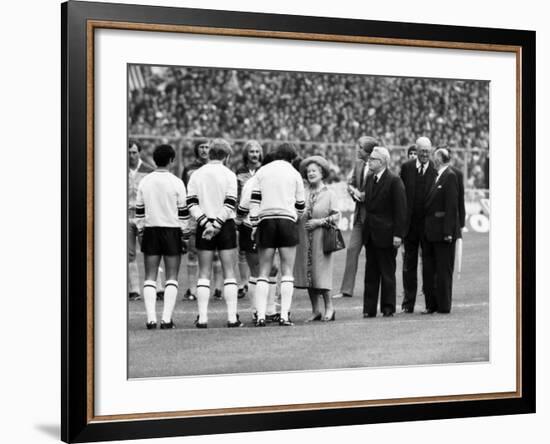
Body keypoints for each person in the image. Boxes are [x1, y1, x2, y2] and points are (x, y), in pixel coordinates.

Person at [248, 142, 306, 326]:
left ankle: (261, 316)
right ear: (293, 157)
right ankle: (284, 315)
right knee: (287, 270)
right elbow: (301, 205)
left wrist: (255, 223)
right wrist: (294, 216)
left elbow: (254, 199)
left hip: (266, 221)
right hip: (287, 220)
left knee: (263, 271)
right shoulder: (295, 173)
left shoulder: (262, 171)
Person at [186, 138, 242, 328]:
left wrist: (206, 223)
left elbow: (191, 203)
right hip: (225, 225)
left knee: (203, 272)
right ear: (226, 156)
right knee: (229, 271)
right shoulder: (229, 175)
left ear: (210, 154)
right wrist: (217, 224)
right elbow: (230, 203)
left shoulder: (196, 174)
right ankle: (232, 318)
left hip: (204, 224)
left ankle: (202, 319)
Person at [135, 144, 189, 329]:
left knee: (150, 276)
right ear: (172, 160)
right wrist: (185, 235)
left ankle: (151, 319)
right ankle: (166, 319)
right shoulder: (177, 182)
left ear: (154, 159)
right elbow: (183, 213)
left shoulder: (145, 181)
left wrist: (141, 231)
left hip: (151, 230)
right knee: (171, 276)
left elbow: (139, 212)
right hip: (172, 231)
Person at [294, 156, 341, 321]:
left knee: (321, 274)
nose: (311, 173)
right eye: (308, 171)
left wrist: (319, 222)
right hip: (304, 239)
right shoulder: (303, 193)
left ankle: (329, 307)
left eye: (314, 170)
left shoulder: (330, 194)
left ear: (322, 172)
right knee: (309, 275)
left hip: (321, 239)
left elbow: (336, 216)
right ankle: (315, 310)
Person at [362, 147, 407, 318]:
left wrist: (398, 235)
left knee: (387, 272)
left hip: (387, 235)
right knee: (370, 273)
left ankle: (388, 307)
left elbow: (401, 210)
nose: (369, 161)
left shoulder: (394, 181)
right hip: (371, 234)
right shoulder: (369, 179)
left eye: (372, 159)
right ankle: (369, 308)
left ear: (381, 162)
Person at [333, 136, 379, 299]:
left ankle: (376, 289)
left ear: (368, 151)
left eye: (360, 147)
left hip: (373, 218)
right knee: (352, 250)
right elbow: (352, 182)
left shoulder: (378, 165)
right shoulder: (358, 164)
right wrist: (352, 191)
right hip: (360, 216)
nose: (357, 150)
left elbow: (380, 189)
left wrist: (364, 195)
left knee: (375, 256)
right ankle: (346, 289)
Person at [181, 138, 223, 301]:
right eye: (201, 147)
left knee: (217, 254)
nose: (204, 150)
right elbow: (186, 194)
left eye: (207, 147)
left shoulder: (219, 168)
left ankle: (218, 289)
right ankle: (192, 289)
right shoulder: (189, 169)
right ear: (196, 150)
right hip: (195, 215)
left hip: (215, 214)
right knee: (193, 253)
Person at [399, 137, 437, 313]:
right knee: (409, 267)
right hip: (410, 226)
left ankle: (430, 304)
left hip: (428, 228)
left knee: (429, 267)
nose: (424, 155)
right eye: (421, 151)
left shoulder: (436, 170)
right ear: (417, 150)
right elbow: (401, 195)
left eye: (427, 152)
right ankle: (408, 304)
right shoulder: (406, 168)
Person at [422, 148, 461, 314]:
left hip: (442, 233)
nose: (432, 160)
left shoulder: (450, 176)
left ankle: (444, 306)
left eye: (434, 157)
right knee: (429, 270)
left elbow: (451, 207)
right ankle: (431, 304)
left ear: (438, 160)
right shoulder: (437, 176)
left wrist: (448, 232)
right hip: (430, 232)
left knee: (443, 271)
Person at [128, 140, 165, 302]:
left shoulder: (149, 171)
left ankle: (159, 287)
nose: (131, 156)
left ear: (139, 152)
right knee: (129, 254)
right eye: (128, 152)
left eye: (134, 152)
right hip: (126, 215)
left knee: (151, 251)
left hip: (144, 216)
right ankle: (134, 290)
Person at [235, 140, 264, 299]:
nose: (254, 154)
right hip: (242, 215)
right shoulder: (239, 172)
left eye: (257, 151)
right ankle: (243, 282)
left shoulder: (264, 170)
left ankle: (262, 280)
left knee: (262, 251)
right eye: (252, 151)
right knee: (242, 250)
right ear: (246, 154)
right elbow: (236, 194)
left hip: (259, 216)